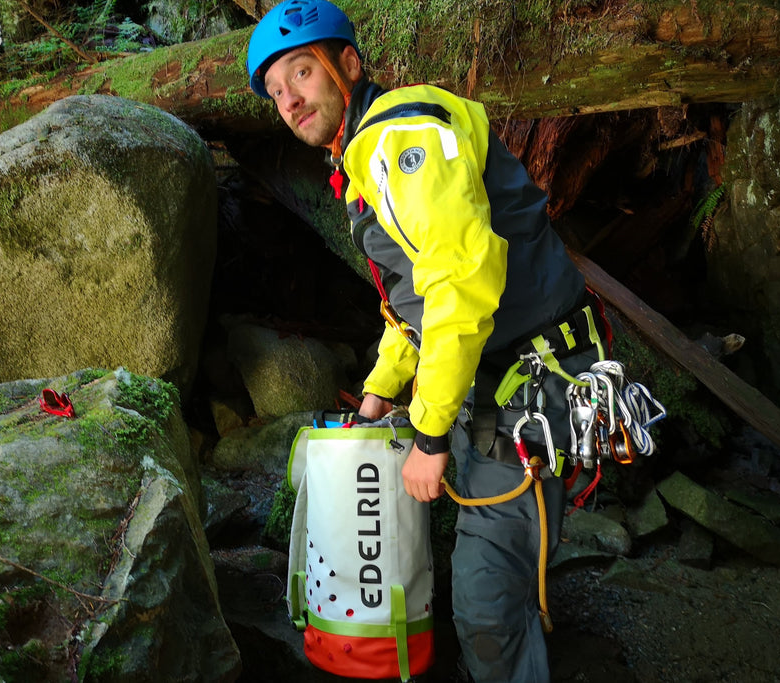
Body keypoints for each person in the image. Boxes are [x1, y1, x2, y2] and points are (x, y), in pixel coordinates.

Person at [246, 2, 611, 681]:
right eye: (275, 92)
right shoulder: (364, 162)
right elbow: (413, 307)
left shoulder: (401, 142)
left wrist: (432, 437)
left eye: (301, 71)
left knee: (484, 599)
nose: (289, 99)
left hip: (536, 383)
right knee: (489, 567)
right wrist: (381, 393)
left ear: (348, 65)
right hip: (493, 379)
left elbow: (461, 283)